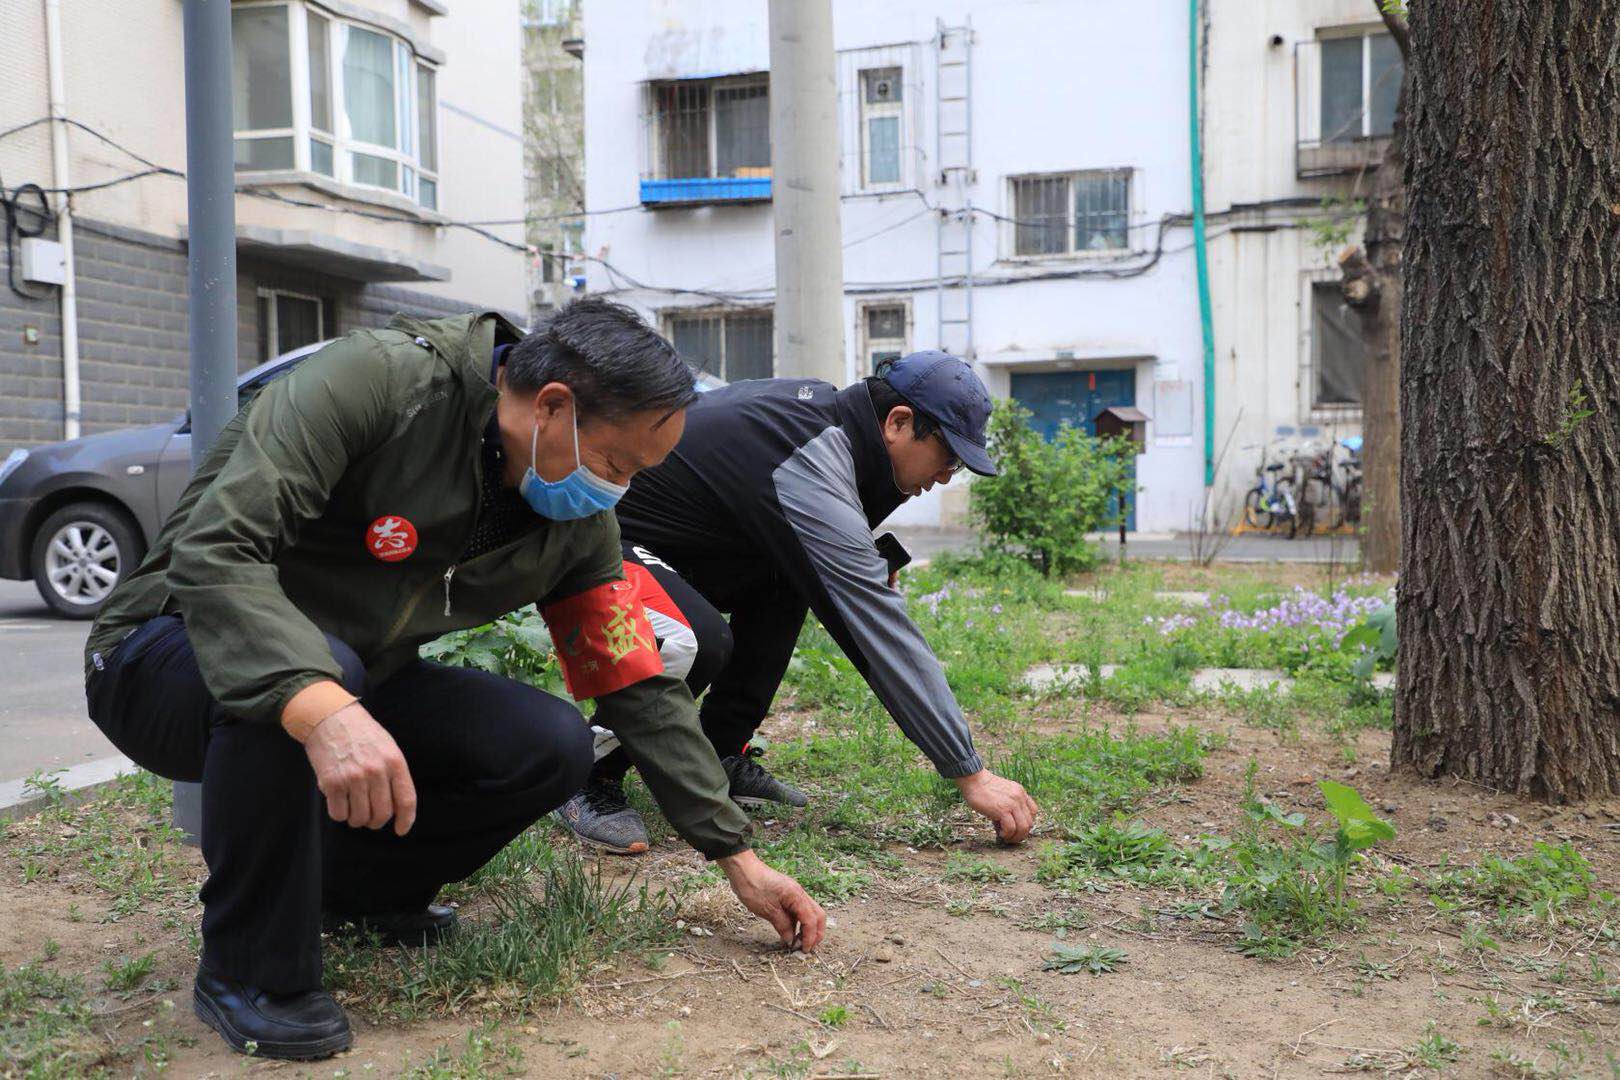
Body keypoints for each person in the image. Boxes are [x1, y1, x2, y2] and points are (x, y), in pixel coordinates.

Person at [82, 299, 825, 1062]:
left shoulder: (573, 519)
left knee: (546, 742)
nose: (618, 490)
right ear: (554, 406)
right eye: (615, 464)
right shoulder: (376, 384)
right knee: (320, 673)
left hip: (356, 678)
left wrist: (736, 855)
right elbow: (217, 552)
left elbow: (628, 674)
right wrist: (321, 705)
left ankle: (358, 897)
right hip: (165, 650)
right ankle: (251, 971)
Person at [557, 350, 1040, 855]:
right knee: (694, 638)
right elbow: (877, 632)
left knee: (789, 579)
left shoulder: (838, 430)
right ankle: (584, 774)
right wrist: (970, 772)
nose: (947, 475)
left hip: (682, 550)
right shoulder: (810, 453)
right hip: (601, 542)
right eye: (948, 456)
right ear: (899, 422)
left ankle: (720, 751)